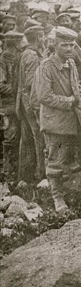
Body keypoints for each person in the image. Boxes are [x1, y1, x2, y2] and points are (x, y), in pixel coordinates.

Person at [37, 27, 81, 214]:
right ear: (55, 45)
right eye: (64, 45)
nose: (69, 48)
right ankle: (58, 199)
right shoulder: (46, 66)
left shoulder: (70, 63)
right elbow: (44, 96)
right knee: (55, 161)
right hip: (56, 122)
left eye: (71, 44)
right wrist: (69, 102)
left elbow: (76, 88)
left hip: (76, 118)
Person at [16, 26, 46, 183]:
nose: (45, 39)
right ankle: (42, 177)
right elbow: (30, 84)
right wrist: (36, 108)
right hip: (31, 104)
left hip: (24, 103)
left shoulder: (26, 53)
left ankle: (25, 178)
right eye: (43, 36)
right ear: (39, 38)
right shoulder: (32, 56)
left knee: (27, 141)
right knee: (39, 139)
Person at [0, 31, 23, 180]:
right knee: (10, 138)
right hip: (7, 107)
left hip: (16, 105)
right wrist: (17, 88)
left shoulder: (16, 58)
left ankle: (14, 171)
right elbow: (1, 86)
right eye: (19, 42)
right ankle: (8, 172)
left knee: (17, 138)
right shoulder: (2, 60)